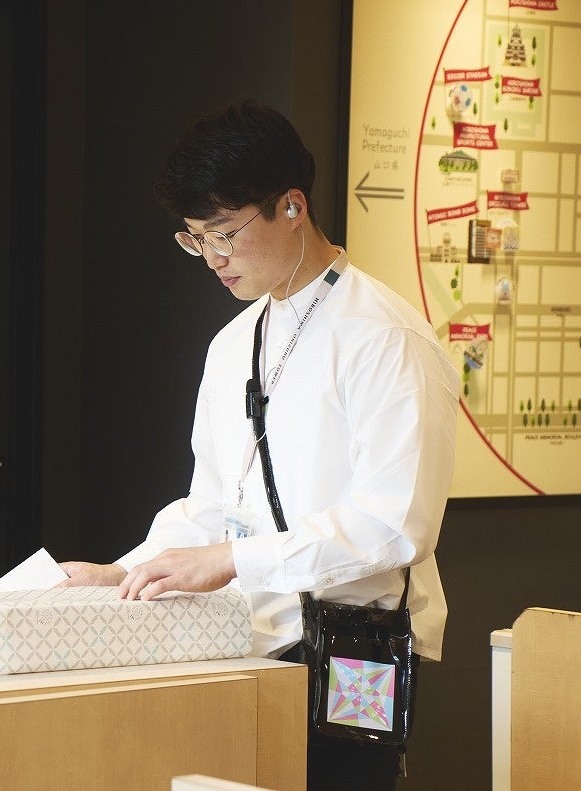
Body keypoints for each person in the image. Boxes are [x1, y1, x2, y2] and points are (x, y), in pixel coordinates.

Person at [60, 100, 458, 789]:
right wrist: (124, 572)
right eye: (195, 240)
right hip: (248, 642)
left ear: (292, 206)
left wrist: (230, 560)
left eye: (225, 233)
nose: (213, 259)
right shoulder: (232, 343)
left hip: (354, 646)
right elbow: (212, 505)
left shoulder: (385, 338)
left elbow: (395, 525)